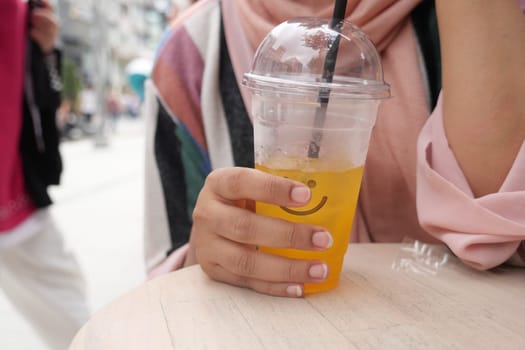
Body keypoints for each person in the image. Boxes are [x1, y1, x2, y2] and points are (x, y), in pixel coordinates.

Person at [143, 0, 525, 294]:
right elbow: (167, 284)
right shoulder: (189, 53)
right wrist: (209, 255)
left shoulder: (490, 17)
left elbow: (497, 239)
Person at [0, 1, 90, 348]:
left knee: (76, 325)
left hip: (20, 198)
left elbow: (43, 100)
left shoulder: (31, 10)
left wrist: (47, 50)